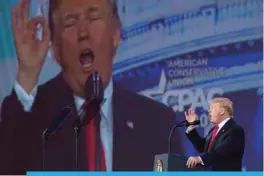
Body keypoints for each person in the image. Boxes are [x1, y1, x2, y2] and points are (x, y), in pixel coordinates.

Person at [0, 0, 182, 174]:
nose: (83, 32)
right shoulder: (32, 123)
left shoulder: (158, 124)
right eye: (70, 23)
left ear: (115, 35)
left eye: (93, 18)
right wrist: (27, 74)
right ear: (55, 48)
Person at [184, 97, 245, 171]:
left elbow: (220, 152)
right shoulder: (214, 130)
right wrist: (191, 128)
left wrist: (199, 159)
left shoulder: (235, 131)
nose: (209, 111)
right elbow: (203, 148)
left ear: (222, 111)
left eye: (212, 108)